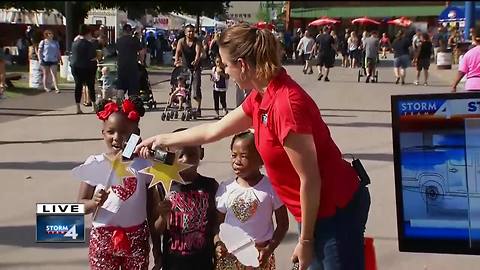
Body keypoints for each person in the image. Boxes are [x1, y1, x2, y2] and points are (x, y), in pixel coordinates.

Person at [136, 23, 370, 270]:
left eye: (227, 65)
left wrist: (306, 240)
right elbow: (213, 130)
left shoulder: (285, 104)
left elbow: (310, 179)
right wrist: (162, 139)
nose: (225, 71)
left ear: (243, 65)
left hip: (334, 210)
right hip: (313, 210)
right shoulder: (261, 96)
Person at [77, 97, 160, 270]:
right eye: (111, 132)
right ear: (103, 133)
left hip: (136, 237)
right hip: (103, 238)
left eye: (124, 133)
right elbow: (80, 204)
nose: (117, 138)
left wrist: (157, 250)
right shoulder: (94, 163)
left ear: (136, 134)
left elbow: (151, 210)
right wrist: (93, 203)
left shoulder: (144, 164)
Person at [214, 130, 289, 270]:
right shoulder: (226, 188)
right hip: (230, 257)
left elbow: (283, 223)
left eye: (244, 156)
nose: (237, 161)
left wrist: (270, 248)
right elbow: (218, 223)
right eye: (233, 155)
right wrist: (218, 243)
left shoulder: (271, 188)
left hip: (260, 256)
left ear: (261, 159)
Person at [153, 127, 219, 270]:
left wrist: (218, 246)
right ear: (169, 157)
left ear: (201, 153)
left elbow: (216, 224)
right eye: (180, 155)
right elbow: (156, 231)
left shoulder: (211, 186)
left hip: (203, 262)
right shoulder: (163, 187)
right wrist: (163, 217)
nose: (186, 159)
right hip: (173, 263)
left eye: (191, 153)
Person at [175, 25, 203, 117]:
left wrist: (196, 61)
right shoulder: (181, 41)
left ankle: (198, 108)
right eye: (189, 31)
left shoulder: (197, 42)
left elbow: (198, 53)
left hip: (195, 68)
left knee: (195, 91)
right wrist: (176, 61)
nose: (191, 33)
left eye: (192, 31)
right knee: (186, 89)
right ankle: (188, 107)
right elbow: (178, 52)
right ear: (185, 32)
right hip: (185, 68)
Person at [70, 25, 97, 114]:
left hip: (75, 67)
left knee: (78, 86)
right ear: (87, 33)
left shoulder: (74, 43)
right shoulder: (89, 44)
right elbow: (92, 57)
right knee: (90, 86)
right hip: (87, 67)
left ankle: (78, 107)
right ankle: (94, 106)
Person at [116, 24, 142, 98]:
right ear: (131, 31)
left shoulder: (119, 40)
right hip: (132, 65)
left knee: (121, 86)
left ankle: (119, 103)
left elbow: (117, 51)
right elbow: (141, 52)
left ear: (123, 31)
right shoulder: (135, 40)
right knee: (133, 86)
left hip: (121, 66)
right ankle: (132, 103)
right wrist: (141, 61)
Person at [452, 27, 480, 92]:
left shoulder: (469, 54)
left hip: (472, 85)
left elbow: (461, 72)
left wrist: (454, 86)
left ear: (474, 39)